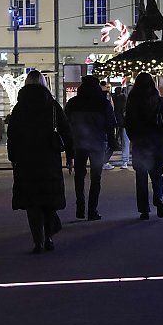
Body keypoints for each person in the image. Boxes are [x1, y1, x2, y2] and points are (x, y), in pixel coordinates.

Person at [7, 70, 74, 254]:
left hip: (26, 160)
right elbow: (66, 131)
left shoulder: (20, 107)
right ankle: (49, 237)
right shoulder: (52, 106)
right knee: (49, 200)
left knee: (32, 203)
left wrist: (13, 156)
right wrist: (70, 155)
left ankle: (38, 241)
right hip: (49, 159)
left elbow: (12, 135)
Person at [65, 75, 117, 221]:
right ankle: (92, 210)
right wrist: (112, 143)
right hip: (98, 143)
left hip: (79, 142)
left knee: (79, 175)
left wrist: (69, 147)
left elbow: (66, 124)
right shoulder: (103, 103)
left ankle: (80, 207)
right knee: (96, 177)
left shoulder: (73, 103)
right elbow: (110, 124)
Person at [124, 72, 163, 220]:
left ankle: (144, 210)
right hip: (156, 142)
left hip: (140, 143)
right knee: (157, 174)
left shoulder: (132, 102)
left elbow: (128, 124)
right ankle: (158, 197)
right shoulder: (159, 101)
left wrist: (133, 139)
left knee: (141, 177)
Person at [112, 86, 130, 169]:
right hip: (127, 123)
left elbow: (118, 111)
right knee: (126, 141)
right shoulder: (123, 98)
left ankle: (125, 161)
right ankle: (125, 161)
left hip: (125, 123)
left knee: (125, 142)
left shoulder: (119, 98)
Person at [99, 80, 116, 170]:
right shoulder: (107, 96)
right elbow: (111, 111)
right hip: (108, 125)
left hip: (99, 126)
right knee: (111, 144)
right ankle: (104, 162)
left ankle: (101, 162)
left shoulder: (96, 97)